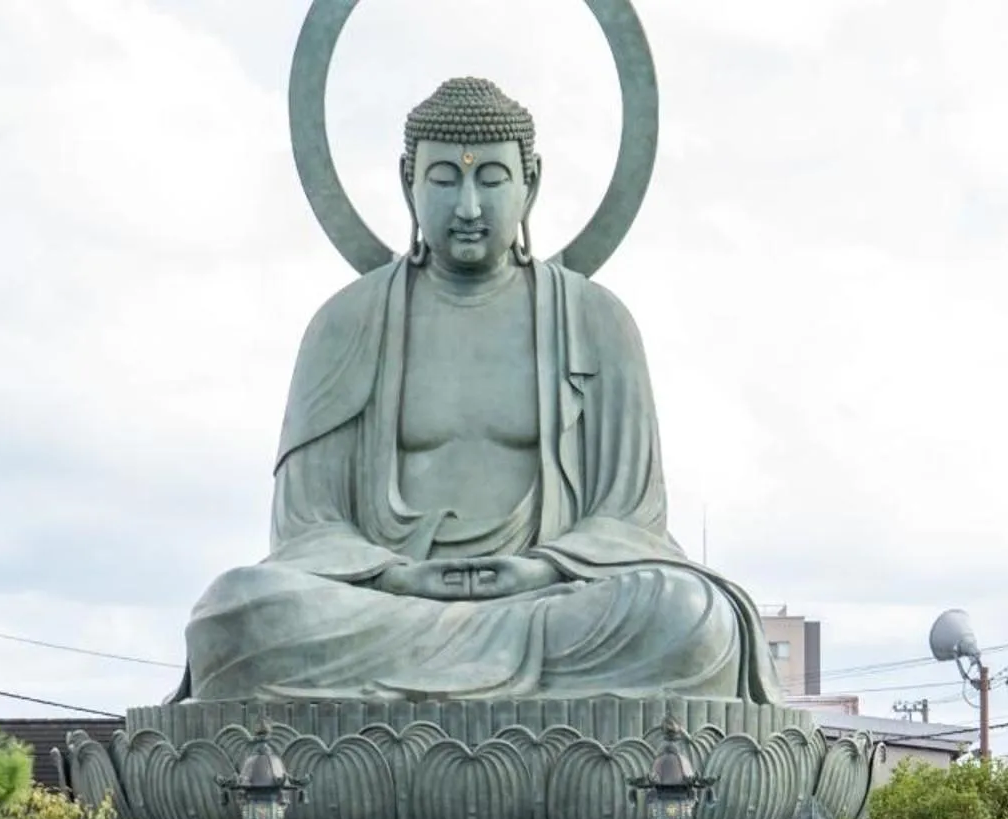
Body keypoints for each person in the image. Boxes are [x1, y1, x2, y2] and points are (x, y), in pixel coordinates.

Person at [186, 76, 779, 704]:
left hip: (551, 602)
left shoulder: (597, 322)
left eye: (492, 180)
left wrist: (544, 567)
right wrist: (393, 575)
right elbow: (308, 526)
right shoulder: (345, 324)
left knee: (689, 616)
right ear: (407, 183)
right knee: (239, 611)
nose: (468, 207)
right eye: (444, 180)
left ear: (531, 183)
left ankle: (423, 692)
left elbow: (630, 522)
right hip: (389, 603)